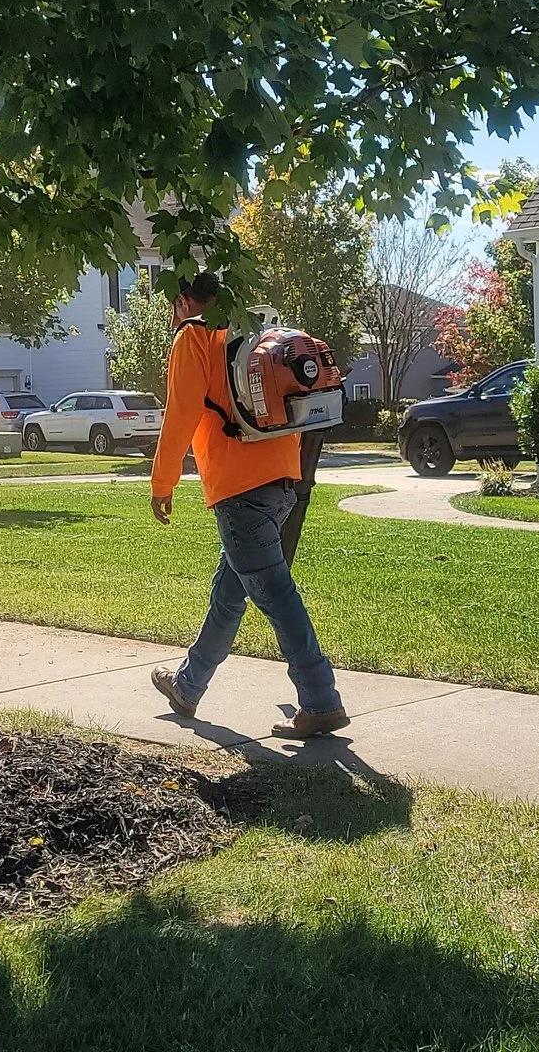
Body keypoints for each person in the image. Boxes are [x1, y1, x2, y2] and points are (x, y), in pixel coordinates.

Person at [146, 272, 349, 738]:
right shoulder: (254, 327)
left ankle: (321, 700)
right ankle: (187, 686)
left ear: (184, 301)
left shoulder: (194, 336)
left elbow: (181, 412)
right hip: (283, 479)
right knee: (228, 593)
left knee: (276, 595)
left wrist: (163, 481)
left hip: (239, 489)